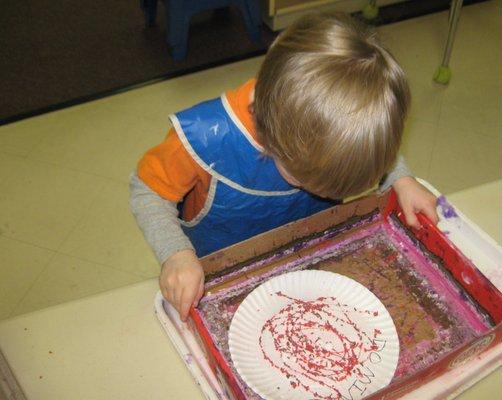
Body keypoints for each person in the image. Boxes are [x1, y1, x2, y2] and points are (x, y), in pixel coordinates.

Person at [129, 12, 438, 321]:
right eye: (306, 180)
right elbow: (148, 193)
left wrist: (400, 177)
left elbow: (369, 149)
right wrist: (175, 253)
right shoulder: (203, 138)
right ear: (269, 134)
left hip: (297, 257)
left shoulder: (329, 130)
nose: (320, 193)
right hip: (215, 273)